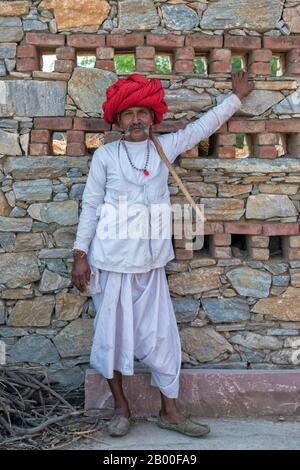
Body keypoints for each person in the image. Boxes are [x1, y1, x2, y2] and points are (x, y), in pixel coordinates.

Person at [71, 71, 254, 437]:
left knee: (163, 339)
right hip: (110, 263)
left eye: (143, 112)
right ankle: (121, 410)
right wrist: (80, 254)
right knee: (113, 340)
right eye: (129, 114)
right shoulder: (106, 156)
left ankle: (169, 411)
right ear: (118, 120)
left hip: (151, 265)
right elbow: (90, 205)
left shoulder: (163, 147)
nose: (136, 119)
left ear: (153, 118)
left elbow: (202, 128)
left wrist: (236, 99)